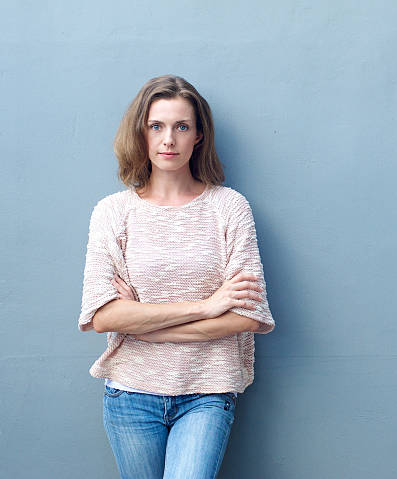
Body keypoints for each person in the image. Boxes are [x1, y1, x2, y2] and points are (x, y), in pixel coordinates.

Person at [78, 74, 275, 479]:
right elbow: (102, 317)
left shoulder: (229, 208)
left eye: (181, 126)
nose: (169, 139)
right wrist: (206, 307)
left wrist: (143, 323)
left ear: (198, 135)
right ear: (142, 133)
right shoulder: (113, 212)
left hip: (207, 391)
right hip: (130, 393)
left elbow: (248, 316)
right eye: (157, 126)